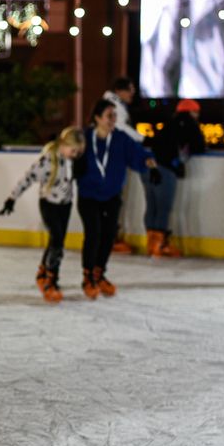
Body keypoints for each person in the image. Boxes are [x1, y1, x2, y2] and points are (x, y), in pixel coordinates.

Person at [74, 98, 153, 299]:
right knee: (94, 234)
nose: (113, 119)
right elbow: (67, 152)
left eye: (115, 116)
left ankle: (99, 273)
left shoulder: (120, 139)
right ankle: (87, 276)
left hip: (111, 196)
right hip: (89, 196)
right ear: (97, 118)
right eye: (109, 116)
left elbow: (138, 154)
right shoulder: (84, 138)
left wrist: (148, 163)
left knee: (109, 236)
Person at [0, 126, 84, 302]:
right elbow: (27, 178)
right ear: (64, 144)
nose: (75, 155)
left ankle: (44, 273)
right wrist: (11, 199)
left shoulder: (72, 161)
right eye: (73, 150)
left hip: (65, 205)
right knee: (57, 241)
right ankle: (49, 281)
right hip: (49, 205)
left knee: (56, 241)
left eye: (78, 152)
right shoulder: (47, 161)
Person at [141, 98, 208, 258]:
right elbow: (200, 145)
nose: (197, 116)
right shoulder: (189, 122)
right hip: (165, 168)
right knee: (164, 207)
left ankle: (151, 244)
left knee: (152, 206)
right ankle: (159, 245)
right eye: (196, 112)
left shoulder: (169, 123)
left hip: (148, 168)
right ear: (191, 112)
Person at [100, 77, 147, 255]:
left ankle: (111, 235)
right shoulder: (111, 105)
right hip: (111, 157)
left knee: (115, 198)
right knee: (112, 197)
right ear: (120, 90)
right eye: (130, 91)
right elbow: (118, 127)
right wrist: (141, 138)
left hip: (115, 156)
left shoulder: (115, 104)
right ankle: (110, 237)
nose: (132, 95)